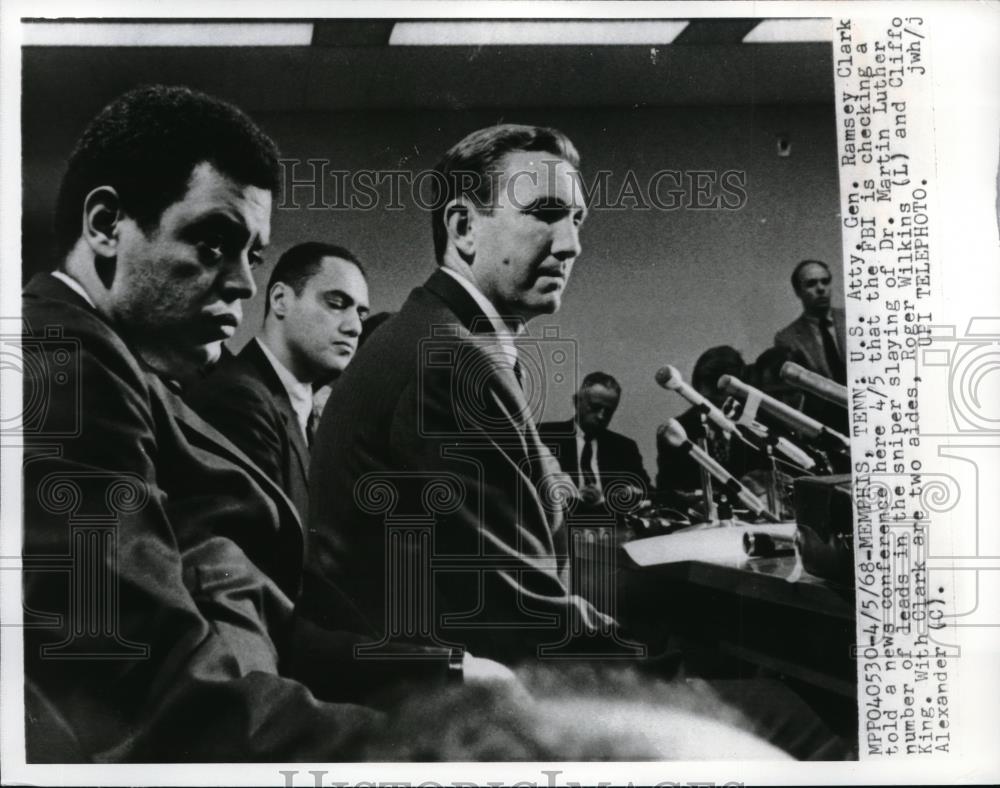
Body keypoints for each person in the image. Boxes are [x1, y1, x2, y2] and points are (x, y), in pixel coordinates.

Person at [22, 84, 466, 763]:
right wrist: (446, 748)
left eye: (253, 256)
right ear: (107, 223)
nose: (243, 284)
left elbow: (246, 598)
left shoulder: (124, 367)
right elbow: (156, 694)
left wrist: (443, 673)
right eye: (213, 242)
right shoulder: (69, 360)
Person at [305, 124, 617, 665]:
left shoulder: (442, 336)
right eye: (545, 213)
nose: (571, 244)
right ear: (464, 226)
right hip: (445, 712)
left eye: (577, 219)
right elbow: (521, 623)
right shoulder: (453, 363)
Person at [187, 242, 369, 519]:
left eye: (361, 313)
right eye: (336, 304)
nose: (354, 327)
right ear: (280, 300)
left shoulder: (304, 413)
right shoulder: (239, 399)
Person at [655, 345, 756, 499]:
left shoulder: (756, 428)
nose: (713, 410)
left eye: (721, 400)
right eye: (708, 401)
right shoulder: (675, 430)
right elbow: (667, 490)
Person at [539, 372, 651, 507]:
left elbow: (647, 492)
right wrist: (575, 495)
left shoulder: (625, 447)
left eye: (609, 411)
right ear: (576, 402)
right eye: (595, 407)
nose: (601, 416)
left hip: (612, 522)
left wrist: (628, 494)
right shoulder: (544, 436)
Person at [774, 260, 847, 385]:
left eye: (825, 281)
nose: (820, 288)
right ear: (798, 291)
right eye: (811, 284)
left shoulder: (854, 318)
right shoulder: (787, 339)